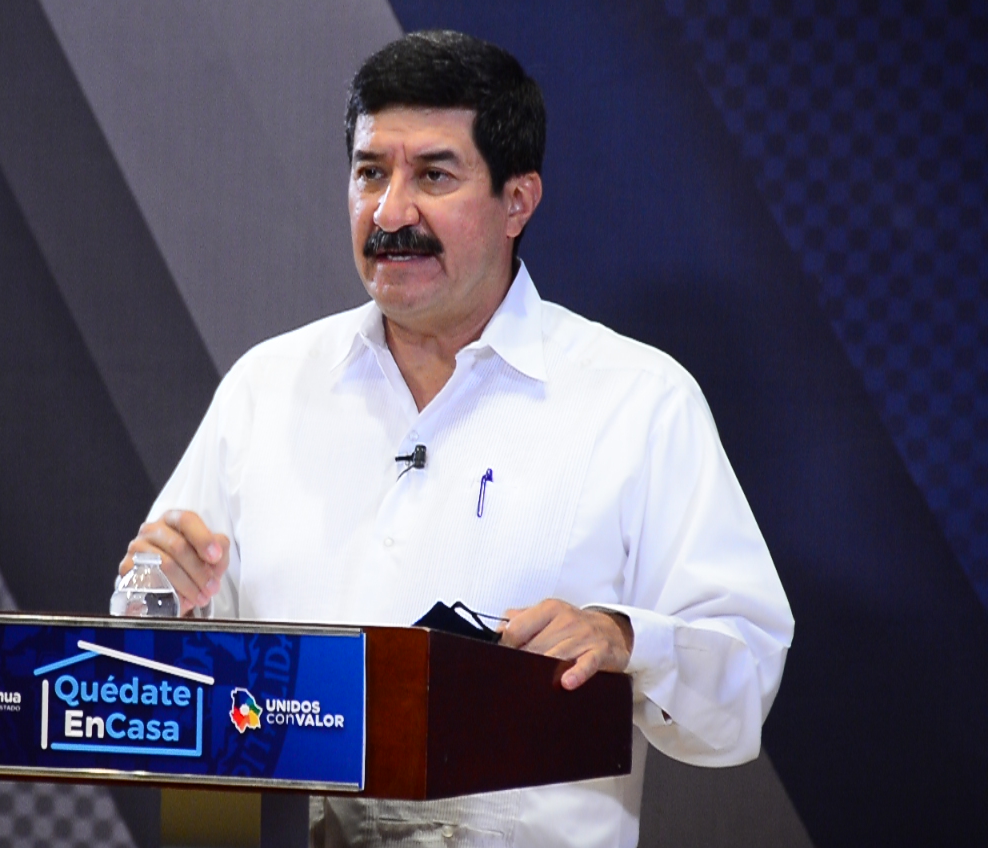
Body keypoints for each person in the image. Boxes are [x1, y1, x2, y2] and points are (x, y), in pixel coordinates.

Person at [118, 29, 794, 848]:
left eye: (434, 176)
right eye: (371, 173)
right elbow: (158, 660)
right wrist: (158, 595)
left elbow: (741, 677)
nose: (390, 212)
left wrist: (623, 638)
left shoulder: (636, 400)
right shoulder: (267, 387)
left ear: (518, 201)